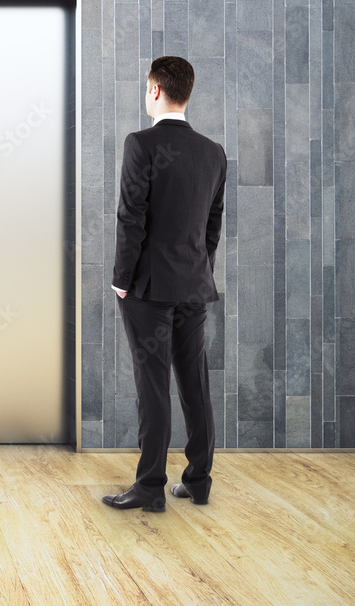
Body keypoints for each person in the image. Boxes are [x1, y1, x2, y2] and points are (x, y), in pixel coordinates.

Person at [103, 56, 227, 513]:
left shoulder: (141, 144)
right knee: (194, 383)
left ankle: (151, 487)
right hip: (194, 285)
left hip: (149, 289)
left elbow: (130, 218)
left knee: (152, 385)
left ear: (155, 90)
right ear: (186, 93)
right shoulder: (213, 152)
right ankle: (199, 481)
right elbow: (212, 227)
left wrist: (121, 279)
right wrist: (198, 270)